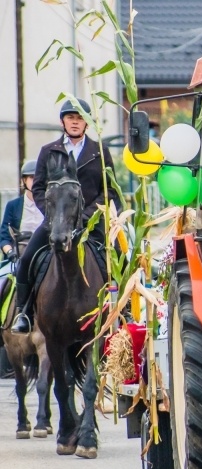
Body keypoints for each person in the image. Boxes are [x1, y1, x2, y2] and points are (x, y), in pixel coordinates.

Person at [11, 98, 120, 334]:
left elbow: (109, 190)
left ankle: (123, 308)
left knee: (119, 256)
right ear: (63, 121)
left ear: (87, 124)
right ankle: (24, 312)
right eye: (71, 118)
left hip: (91, 222)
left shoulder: (99, 152)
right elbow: (38, 188)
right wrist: (53, 215)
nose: (75, 122)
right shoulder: (48, 151)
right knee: (28, 258)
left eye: (79, 118)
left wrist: (88, 216)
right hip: (56, 221)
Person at [0, 160, 44, 262]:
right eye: (32, 177)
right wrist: (10, 252)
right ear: (24, 180)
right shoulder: (13, 206)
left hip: (44, 255)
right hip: (18, 254)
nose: (36, 181)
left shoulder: (50, 205)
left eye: (39, 177)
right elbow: (4, 237)